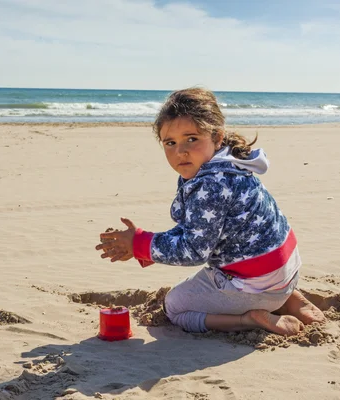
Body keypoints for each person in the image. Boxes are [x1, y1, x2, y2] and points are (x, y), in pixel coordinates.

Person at [95, 88, 324, 335]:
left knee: (175, 307)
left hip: (258, 283)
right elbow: (196, 228)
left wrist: (140, 244)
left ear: (216, 137)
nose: (180, 151)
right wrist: (147, 249)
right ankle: (288, 298)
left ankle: (251, 318)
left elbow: (194, 251)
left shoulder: (210, 183)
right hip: (285, 269)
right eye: (170, 143)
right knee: (222, 271)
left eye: (191, 139)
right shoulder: (230, 162)